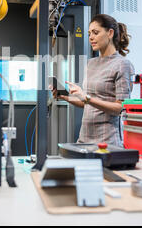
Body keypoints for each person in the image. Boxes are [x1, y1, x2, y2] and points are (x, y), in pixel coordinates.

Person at [51, 14, 134, 147]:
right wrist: (65, 97)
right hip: (84, 139)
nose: (91, 37)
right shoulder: (91, 64)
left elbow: (120, 108)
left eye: (95, 33)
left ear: (110, 33)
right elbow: (89, 104)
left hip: (107, 142)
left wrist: (87, 98)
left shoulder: (122, 65)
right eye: (89, 33)